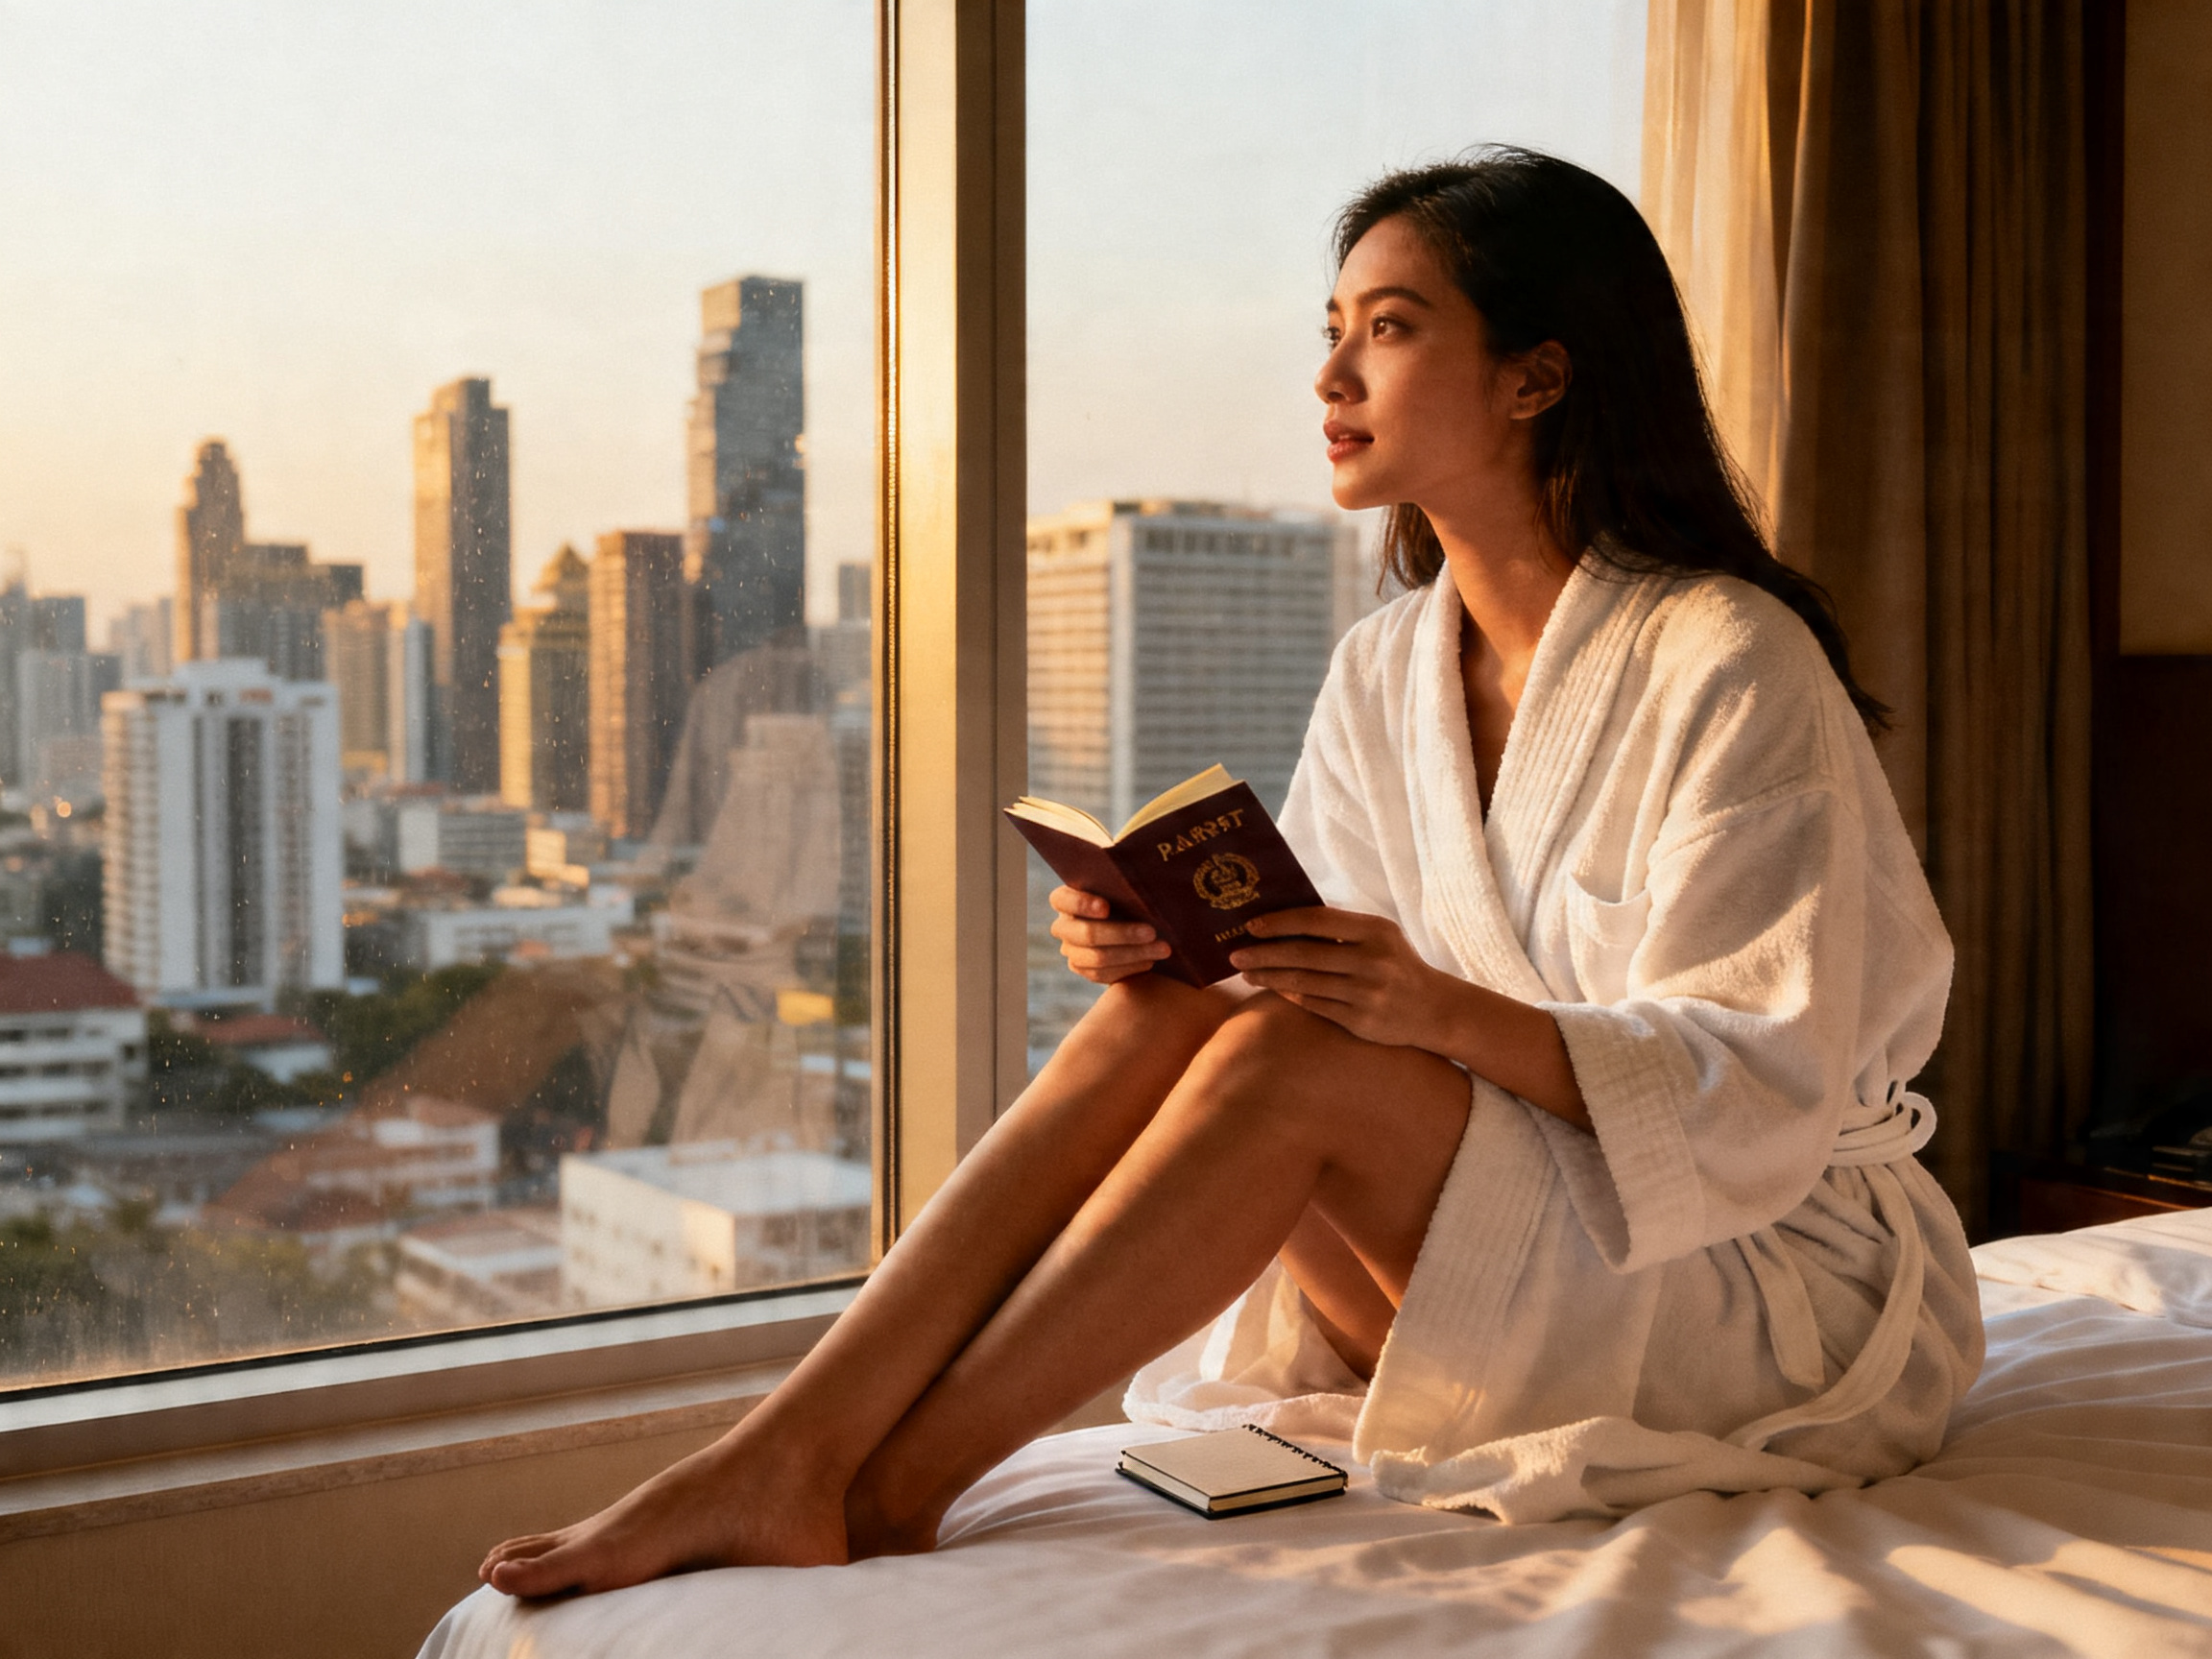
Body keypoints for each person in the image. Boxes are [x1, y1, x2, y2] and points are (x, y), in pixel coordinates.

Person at [480, 149, 1982, 1598]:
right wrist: (1158, 943)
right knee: (1192, 1011)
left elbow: (1762, 1088)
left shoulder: (1729, 661)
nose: (1331, 381)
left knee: (1284, 1060)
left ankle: (882, 1487)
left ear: (1540, 373)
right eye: (1329, 335)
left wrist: (1436, 1009)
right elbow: (1312, 972)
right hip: (1511, 1239)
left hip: (1760, 1287)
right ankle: (792, 1445)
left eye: (1386, 333)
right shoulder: (1390, 664)